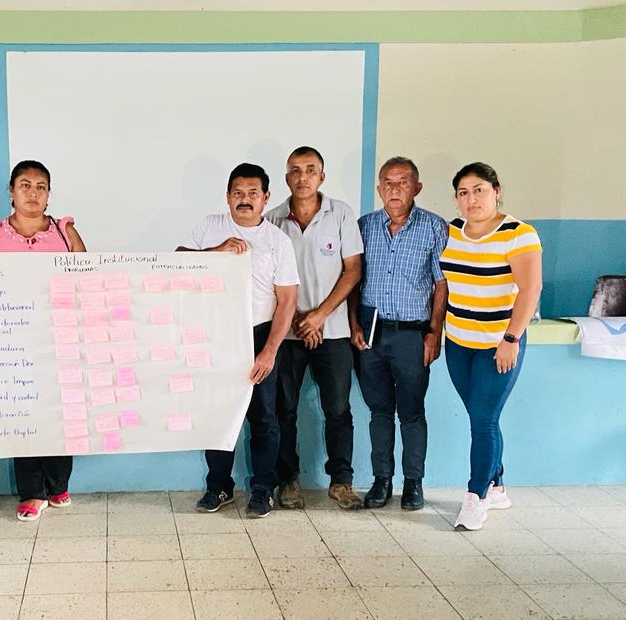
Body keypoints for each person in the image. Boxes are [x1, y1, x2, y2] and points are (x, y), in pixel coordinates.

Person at [0, 160, 86, 521]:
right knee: (22, 414)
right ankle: (31, 492)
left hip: (58, 341)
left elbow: (85, 279)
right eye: (25, 185)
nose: (33, 193)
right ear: (11, 191)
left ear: (49, 194)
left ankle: (58, 485)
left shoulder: (65, 232)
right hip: (10, 346)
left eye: (41, 187)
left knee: (58, 413)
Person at [179, 163, 299, 519]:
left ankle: (263, 489)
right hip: (215, 334)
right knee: (218, 415)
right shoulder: (211, 226)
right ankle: (219, 486)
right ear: (227, 196)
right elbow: (178, 261)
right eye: (237, 193)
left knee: (265, 418)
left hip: (259, 334)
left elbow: (287, 301)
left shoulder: (278, 241)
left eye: (252, 193)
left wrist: (269, 351)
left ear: (266, 198)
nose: (244, 200)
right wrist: (215, 251)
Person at [443, 162, 543, 531]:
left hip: (498, 344)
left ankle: (475, 497)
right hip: (458, 343)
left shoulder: (519, 234)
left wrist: (511, 339)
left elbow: (531, 289)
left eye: (479, 190)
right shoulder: (450, 231)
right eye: (463, 193)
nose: (471, 199)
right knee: (481, 416)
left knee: (483, 420)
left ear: (496, 191)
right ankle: (497, 485)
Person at [264, 147, 363, 511]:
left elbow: (353, 270)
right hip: (287, 334)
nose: (302, 177)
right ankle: (288, 480)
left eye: (310, 170)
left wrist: (319, 316)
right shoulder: (272, 220)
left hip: (332, 331)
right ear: (286, 177)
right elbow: (265, 279)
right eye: (295, 170)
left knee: (338, 410)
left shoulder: (341, 214)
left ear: (322, 176)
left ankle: (341, 482)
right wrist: (297, 319)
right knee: (284, 410)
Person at [351, 157, 449, 511]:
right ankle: (381, 481)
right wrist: (354, 325)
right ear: (379, 189)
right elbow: (352, 279)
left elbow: (441, 285)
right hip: (370, 335)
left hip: (412, 335)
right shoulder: (364, 226)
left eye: (403, 182)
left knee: (411, 412)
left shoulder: (434, 227)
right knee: (379, 412)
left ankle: (413, 483)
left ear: (416, 188)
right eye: (388, 183)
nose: (394, 189)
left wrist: (434, 334)